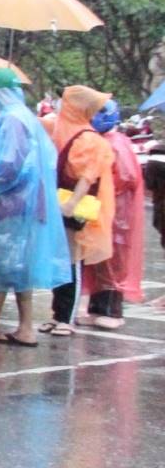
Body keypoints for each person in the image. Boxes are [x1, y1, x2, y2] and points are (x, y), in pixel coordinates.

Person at [0, 68, 64, 345]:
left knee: (2, 265)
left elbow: (9, 163)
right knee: (22, 266)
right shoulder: (27, 116)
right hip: (32, 199)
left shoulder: (10, 119)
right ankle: (26, 327)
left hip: (15, 201)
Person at [45, 86, 117, 335]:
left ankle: (68, 317)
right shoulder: (65, 133)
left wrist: (71, 205)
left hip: (74, 209)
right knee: (59, 260)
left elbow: (87, 178)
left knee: (72, 261)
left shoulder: (89, 140)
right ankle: (58, 314)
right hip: (62, 204)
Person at [83, 100, 144, 327]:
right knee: (99, 259)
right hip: (103, 208)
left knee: (112, 259)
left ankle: (112, 311)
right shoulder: (104, 141)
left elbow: (125, 177)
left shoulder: (116, 142)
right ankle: (98, 308)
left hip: (117, 211)